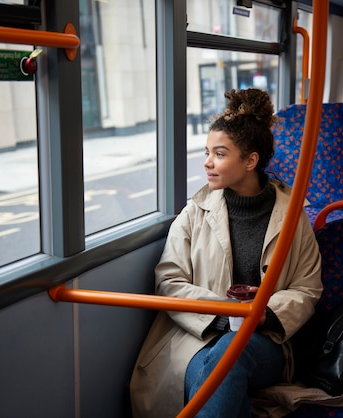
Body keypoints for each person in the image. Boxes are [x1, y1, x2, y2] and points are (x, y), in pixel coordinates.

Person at [129, 88, 323, 417]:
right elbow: (169, 279)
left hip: (264, 342)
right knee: (215, 374)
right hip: (197, 337)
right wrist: (220, 316)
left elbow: (307, 287)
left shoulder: (292, 216)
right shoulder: (195, 211)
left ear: (250, 161)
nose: (207, 162)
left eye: (219, 154)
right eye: (208, 152)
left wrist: (262, 314)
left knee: (230, 355)